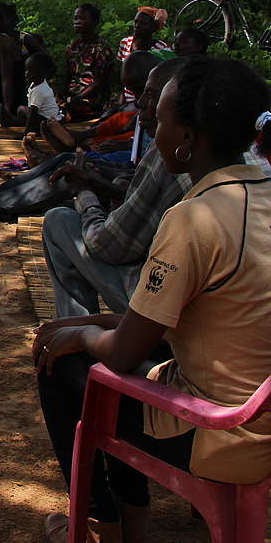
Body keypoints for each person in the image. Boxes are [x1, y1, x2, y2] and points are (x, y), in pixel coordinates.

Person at [34, 56, 271, 543]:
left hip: (227, 434)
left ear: (185, 139)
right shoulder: (262, 190)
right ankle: (126, 519)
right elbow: (210, 316)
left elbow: (123, 352)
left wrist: (80, 330)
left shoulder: (193, 219)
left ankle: (105, 521)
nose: (153, 128)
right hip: (261, 402)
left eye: (160, 119)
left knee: (70, 368)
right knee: (110, 361)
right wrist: (102, 319)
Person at [40, 57, 193, 318]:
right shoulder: (249, 165)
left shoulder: (172, 152)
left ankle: (76, 334)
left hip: (167, 310)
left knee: (59, 220)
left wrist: (85, 192)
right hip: (211, 311)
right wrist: (108, 186)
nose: (142, 103)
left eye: (151, 95)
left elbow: (109, 245)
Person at [0, 55, 164, 225]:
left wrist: (97, 177)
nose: (140, 101)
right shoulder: (149, 114)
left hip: (131, 177)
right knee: (65, 159)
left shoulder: (169, 129)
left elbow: (145, 185)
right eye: (136, 93)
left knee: (71, 170)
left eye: (144, 93)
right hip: (129, 169)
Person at [61, 4, 114, 123]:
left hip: (91, 99)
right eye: (75, 18)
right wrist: (60, 94)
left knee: (70, 110)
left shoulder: (100, 48)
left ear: (94, 22)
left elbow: (99, 82)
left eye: (82, 18)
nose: (77, 22)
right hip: (72, 96)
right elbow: (68, 74)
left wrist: (78, 97)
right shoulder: (73, 45)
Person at [117, 7, 171, 103]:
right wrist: (121, 101)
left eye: (143, 23)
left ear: (153, 28)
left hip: (148, 102)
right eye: (136, 22)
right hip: (127, 100)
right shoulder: (125, 43)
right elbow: (121, 75)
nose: (137, 25)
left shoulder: (161, 49)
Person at [1, 51, 61, 133]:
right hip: (46, 119)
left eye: (30, 70)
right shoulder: (35, 85)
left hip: (49, 124)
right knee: (21, 109)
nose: (26, 73)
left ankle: (16, 122)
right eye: (26, 69)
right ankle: (14, 121)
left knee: (27, 112)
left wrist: (26, 133)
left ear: (42, 72)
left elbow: (33, 114)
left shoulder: (39, 90)